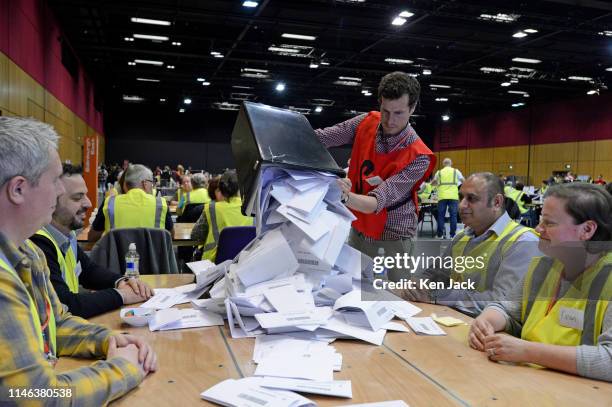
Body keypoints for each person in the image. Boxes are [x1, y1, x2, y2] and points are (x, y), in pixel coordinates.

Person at [0, 117, 157, 403]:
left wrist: (107, 339)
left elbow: (54, 322)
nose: (60, 191)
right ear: (18, 189)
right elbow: (39, 397)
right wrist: (123, 369)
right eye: (54, 180)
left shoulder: (27, 253)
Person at [469, 183, 612, 382]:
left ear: (587, 230)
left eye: (549, 223)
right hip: (529, 381)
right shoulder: (544, 266)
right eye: (540, 220)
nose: (538, 229)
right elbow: (507, 309)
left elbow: (609, 360)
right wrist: (486, 321)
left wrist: (528, 351)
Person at [314, 71, 436, 281]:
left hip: (394, 232)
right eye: (385, 110)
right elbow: (324, 137)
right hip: (360, 225)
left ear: (412, 108)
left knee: (400, 293)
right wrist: (288, 135)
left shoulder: (419, 155)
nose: (389, 120)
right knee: (352, 285)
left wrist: (342, 195)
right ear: (380, 102)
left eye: (398, 113)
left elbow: (377, 201)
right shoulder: (366, 122)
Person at [399, 173, 541, 317]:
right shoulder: (462, 237)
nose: (461, 205)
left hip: (490, 332)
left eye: (471, 199)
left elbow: (502, 302)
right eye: (461, 198)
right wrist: (416, 283)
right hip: (453, 320)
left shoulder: (522, 242)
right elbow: (437, 272)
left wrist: (436, 295)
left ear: (496, 202)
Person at [30, 164, 154, 318]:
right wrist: (122, 295)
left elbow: (87, 270)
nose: (88, 203)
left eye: (85, 195)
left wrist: (121, 281)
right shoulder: (38, 243)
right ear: (50, 201)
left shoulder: (67, 235)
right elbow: (68, 305)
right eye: (77, 197)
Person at [88, 164, 173, 242]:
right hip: (153, 258)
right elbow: (171, 235)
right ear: (145, 183)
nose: (152, 186)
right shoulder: (161, 204)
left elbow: (92, 237)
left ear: (125, 184)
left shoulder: (109, 203)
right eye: (152, 182)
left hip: (117, 258)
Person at [191, 170, 253, 261]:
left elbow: (195, 235)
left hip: (213, 263)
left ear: (221, 189)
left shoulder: (211, 208)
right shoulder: (252, 208)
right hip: (245, 261)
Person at [431, 158, 464, 239]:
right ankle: (452, 235)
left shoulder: (439, 172)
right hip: (453, 196)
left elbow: (433, 183)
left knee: (441, 216)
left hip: (442, 196)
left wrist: (435, 184)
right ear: (451, 163)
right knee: (453, 215)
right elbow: (463, 180)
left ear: (443, 164)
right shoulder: (456, 171)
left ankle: (440, 235)